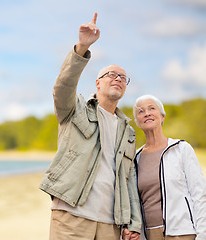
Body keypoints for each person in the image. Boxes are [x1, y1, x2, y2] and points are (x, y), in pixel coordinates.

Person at [39, 12, 142, 240]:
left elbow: (129, 178)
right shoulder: (75, 110)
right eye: (111, 75)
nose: (118, 79)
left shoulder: (128, 132)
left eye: (123, 78)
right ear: (97, 83)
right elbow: (62, 86)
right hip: (72, 217)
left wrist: (133, 222)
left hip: (111, 224)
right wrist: (82, 48)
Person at [133, 94, 206, 240]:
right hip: (149, 235)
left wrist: (203, 234)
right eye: (141, 111)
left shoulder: (181, 149)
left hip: (182, 233)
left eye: (151, 108)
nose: (146, 113)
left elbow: (200, 194)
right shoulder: (135, 158)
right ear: (137, 121)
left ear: (162, 116)